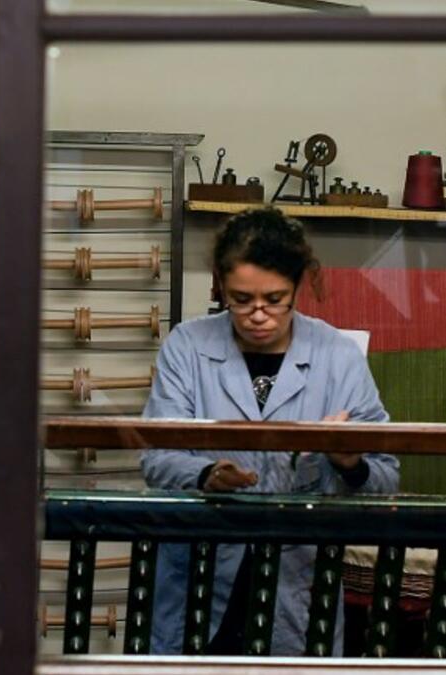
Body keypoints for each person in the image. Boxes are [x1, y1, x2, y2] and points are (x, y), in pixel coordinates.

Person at [140, 207, 399, 656]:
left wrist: (350, 462)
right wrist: (205, 476)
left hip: (298, 580)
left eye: (275, 299)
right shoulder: (188, 346)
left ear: (299, 286)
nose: (258, 315)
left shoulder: (337, 356)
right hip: (199, 575)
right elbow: (156, 457)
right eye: (240, 300)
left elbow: (387, 477)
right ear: (220, 285)